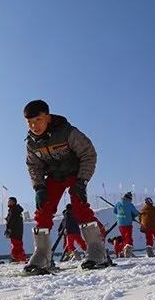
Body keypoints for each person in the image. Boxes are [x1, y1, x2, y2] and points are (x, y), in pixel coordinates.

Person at [23, 100, 106, 272]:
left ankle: (97, 252)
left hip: (75, 173)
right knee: (43, 209)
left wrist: (82, 181)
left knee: (79, 208)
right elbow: (34, 166)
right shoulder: (32, 143)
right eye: (29, 122)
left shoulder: (68, 132)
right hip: (55, 176)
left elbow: (88, 154)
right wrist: (39, 187)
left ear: (48, 116)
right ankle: (42, 256)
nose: (34, 126)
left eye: (38, 120)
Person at [114, 192, 140, 258]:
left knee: (124, 238)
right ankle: (127, 250)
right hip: (128, 223)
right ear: (130, 198)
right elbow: (136, 213)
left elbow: (115, 211)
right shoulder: (130, 204)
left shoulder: (118, 203)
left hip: (120, 224)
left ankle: (121, 251)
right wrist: (132, 216)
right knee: (128, 238)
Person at [5, 197, 26, 263]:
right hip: (18, 231)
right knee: (18, 245)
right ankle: (20, 258)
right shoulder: (16, 210)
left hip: (14, 231)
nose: (8, 202)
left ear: (14, 202)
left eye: (10, 201)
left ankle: (16, 258)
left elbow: (11, 220)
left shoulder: (13, 210)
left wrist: (8, 228)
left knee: (15, 245)